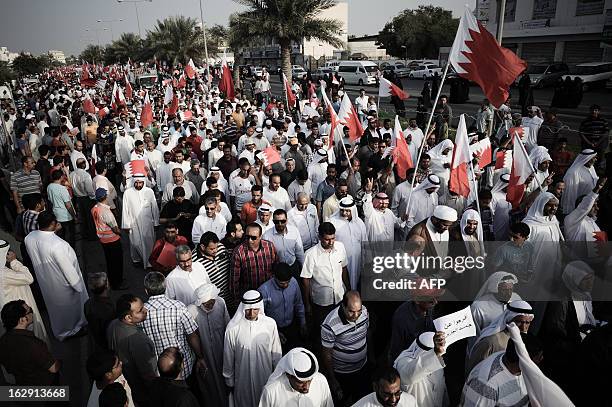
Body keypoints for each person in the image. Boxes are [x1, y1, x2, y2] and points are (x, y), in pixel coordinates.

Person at [24, 211, 88, 340]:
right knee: (69, 312)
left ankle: (62, 330)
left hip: (45, 282)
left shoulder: (30, 237)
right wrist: (78, 287)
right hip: (63, 286)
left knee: (55, 311)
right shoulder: (58, 245)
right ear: (53, 223)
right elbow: (68, 270)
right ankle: (71, 331)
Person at [140, 272, 207, 381]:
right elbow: (192, 335)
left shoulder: (140, 313)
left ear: (146, 290)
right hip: (184, 365)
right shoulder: (178, 306)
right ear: (165, 287)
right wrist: (200, 357)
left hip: (159, 370)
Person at [223, 290, 282, 407]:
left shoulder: (270, 324)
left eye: (255, 309)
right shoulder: (233, 329)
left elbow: (276, 353)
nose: (251, 313)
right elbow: (228, 357)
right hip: (242, 379)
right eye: (248, 309)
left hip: (265, 376)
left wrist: (278, 376)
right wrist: (229, 381)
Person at [460, 333, 543, 407]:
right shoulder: (486, 385)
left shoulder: (519, 366)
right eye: (538, 358)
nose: (541, 359)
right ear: (524, 361)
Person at [320, 291, 372, 405]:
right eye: (351, 312)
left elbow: (367, 333)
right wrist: (333, 380)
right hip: (342, 374)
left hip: (362, 368)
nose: (356, 316)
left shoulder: (364, 312)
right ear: (343, 306)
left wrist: (371, 357)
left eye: (359, 311)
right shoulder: (329, 325)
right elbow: (326, 355)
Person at [106, 294, 158, 407]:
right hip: (141, 391)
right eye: (140, 310)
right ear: (128, 318)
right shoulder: (139, 340)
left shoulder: (113, 324)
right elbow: (148, 373)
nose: (145, 310)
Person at [185, 283, 229, 406]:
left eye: (211, 302)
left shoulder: (220, 303)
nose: (210, 305)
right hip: (203, 354)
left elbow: (227, 325)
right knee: (209, 382)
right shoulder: (191, 310)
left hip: (221, 349)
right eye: (206, 303)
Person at [0, 300, 60, 385]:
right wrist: (59, 362)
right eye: (30, 311)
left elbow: (9, 369)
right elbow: (53, 368)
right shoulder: (33, 344)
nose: (32, 313)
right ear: (22, 320)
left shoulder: (2, 341)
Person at [0, 240, 48, 344]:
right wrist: (14, 261)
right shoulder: (3, 273)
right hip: (19, 309)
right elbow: (28, 278)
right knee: (31, 336)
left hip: (9, 308)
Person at [466, 300, 534, 374]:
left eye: (527, 323)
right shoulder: (490, 342)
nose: (523, 328)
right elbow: (473, 371)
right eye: (519, 322)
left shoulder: (525, 342)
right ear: (508, 319)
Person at [259, 347, 334, 406]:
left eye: (309, 380)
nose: (306, 387)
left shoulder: (321, 381)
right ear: (289, 375)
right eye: (301, 382)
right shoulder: (271, 392)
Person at [258, 262, 307, 352]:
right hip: (274, 330)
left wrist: (302, 323)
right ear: (274, 277)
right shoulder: (264, 291)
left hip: (292, 326)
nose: (285, 285)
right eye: (281, 283)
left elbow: (298, 304)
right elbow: (261, 316)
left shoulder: (294, 283)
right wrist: (275, 332)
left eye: (287, 282)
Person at [469, 272, 522, 351]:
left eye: (511, 289)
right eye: (504, 290)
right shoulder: (479, 307)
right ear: (495, 289)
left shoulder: (516, 299)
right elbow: (473, 336)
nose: (509, 294)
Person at [394, 331, 448, 407]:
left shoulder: (437, 364)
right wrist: (435, 353)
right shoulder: (403, 362)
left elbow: (442, 392)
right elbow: (410, 375)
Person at [231, 222, 277, 304]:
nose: (250, 240)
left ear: (260, 237)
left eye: (253, 238)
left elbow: (276, 268)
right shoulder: (239, 252)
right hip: (249, 295)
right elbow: (234, 280)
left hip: (269, 293)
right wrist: (237, 301)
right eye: (247, 237)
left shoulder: (269, 247)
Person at [328, 196, 367, 290]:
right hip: (340, 259)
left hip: (356, 259)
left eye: (348, 211)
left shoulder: (359, 223)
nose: (344, 213)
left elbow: (364, 242)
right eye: (342, 210)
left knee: (355, 279)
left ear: (353, 211)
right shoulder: (333, 222)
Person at [91, 188, 126, 290]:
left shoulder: (94, 208)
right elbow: (115, 228)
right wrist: (121, 234)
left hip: (103, 239)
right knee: (117, 263)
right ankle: (117, 283)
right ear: (105, 197)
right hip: (112, 240)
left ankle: (112, 281)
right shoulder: (106, 211)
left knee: (110, 262)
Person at [121, 174, 159, 268]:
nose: (138, 185)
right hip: (134, 222)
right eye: (136, 182)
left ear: (144, 182)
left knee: (149, 242)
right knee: (135, 243)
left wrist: (156, 222)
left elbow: (154, 208)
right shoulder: (128, 193)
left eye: (140, 182)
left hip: (148, 223)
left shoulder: (149, 191)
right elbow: (125, 209)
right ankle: (136, 259)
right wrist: (126, 225)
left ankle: (150, 262)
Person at [262, 209, 304, 276]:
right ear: (273, 221)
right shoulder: (266, 236)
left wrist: (303, 267)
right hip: (277, 269)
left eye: (283, 221)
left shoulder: (294, 231)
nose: (280, 224)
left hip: (293, 266)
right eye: (277, 222)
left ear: (287, 221)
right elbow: (266, 257)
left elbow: (299, 251)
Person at [352, 366, 417, 407]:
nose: (393, 400)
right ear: (375, 387)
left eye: (397, 393)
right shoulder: (362, 405)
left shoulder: (410, 401)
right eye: (387, 395)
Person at [561, 149, 598, 215]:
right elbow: (570, 195)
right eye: (594, 158)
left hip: (591, 204)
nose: (596, 160)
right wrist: (570, 211)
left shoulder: (592, 168)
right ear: (587, 159)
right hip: (579, 207)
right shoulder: (574, 172)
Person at [47, 169, 77, 246]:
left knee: (61, 236)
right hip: (66, 216)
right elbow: (68, 205)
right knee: (70, 236)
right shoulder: (62, 189)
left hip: (56, 214)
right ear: (61, 177)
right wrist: (74, 216)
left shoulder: (49, 187)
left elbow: (50, 200)